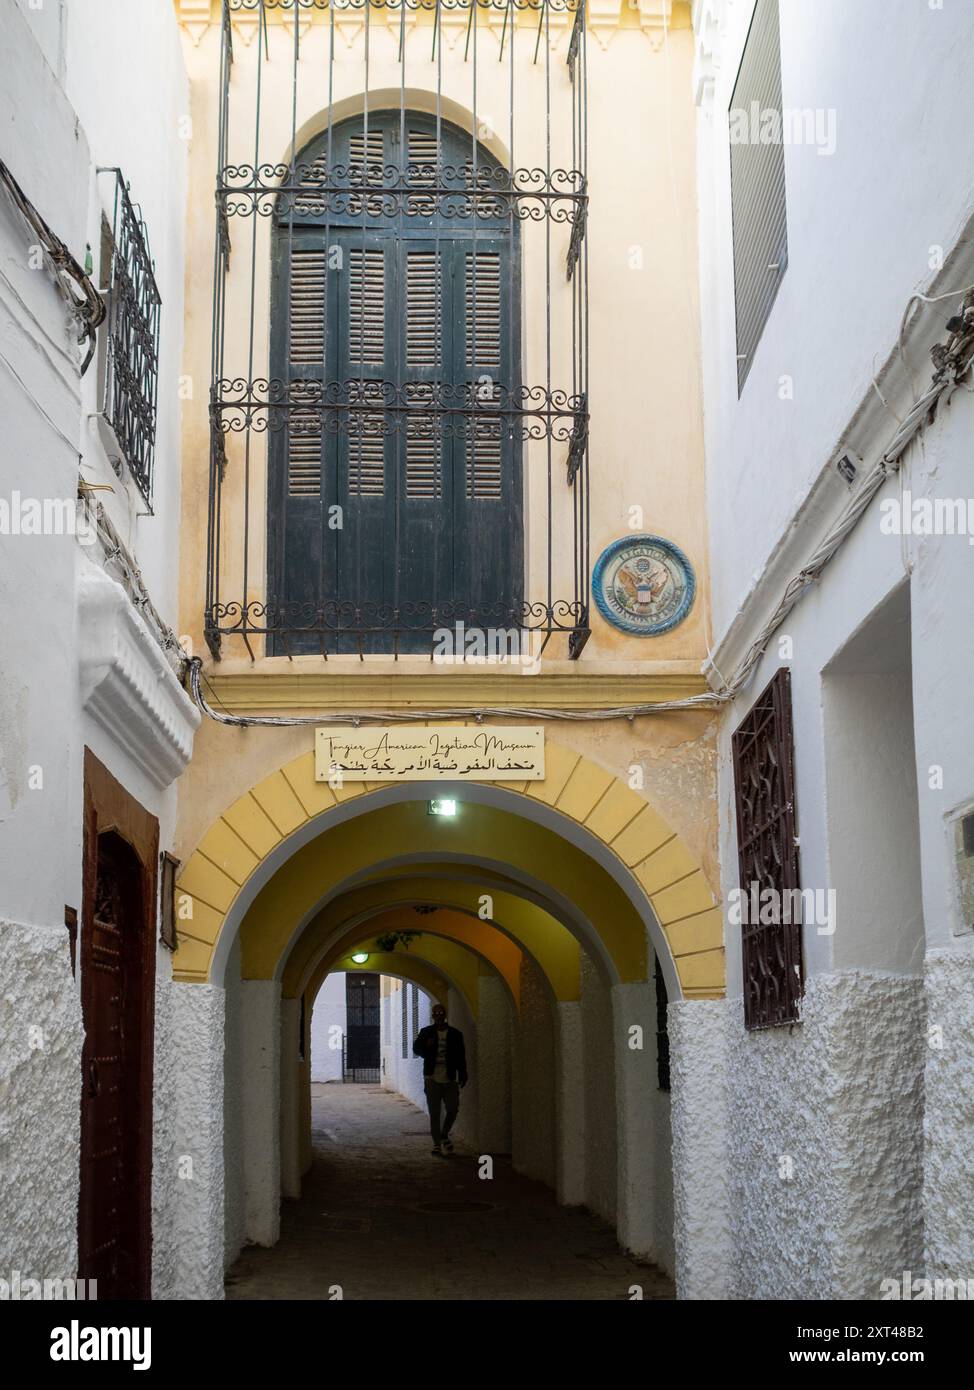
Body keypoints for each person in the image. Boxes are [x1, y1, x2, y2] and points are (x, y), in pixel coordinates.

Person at [412, 1002, 467, 1157]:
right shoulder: (426, 1032)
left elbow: (461, 1056)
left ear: (445, 1014)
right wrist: (426, 1048)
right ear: (432, 1015)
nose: (438, 1015)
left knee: (452, 1108)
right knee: (435, 1113)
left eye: (441, 1012)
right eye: (435, 1013)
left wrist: (463, 1073)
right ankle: (437, 1144)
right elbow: (416, 1049)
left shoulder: (456, 1034)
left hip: (450, 1078)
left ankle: (444, 1134)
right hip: (431, 1078)